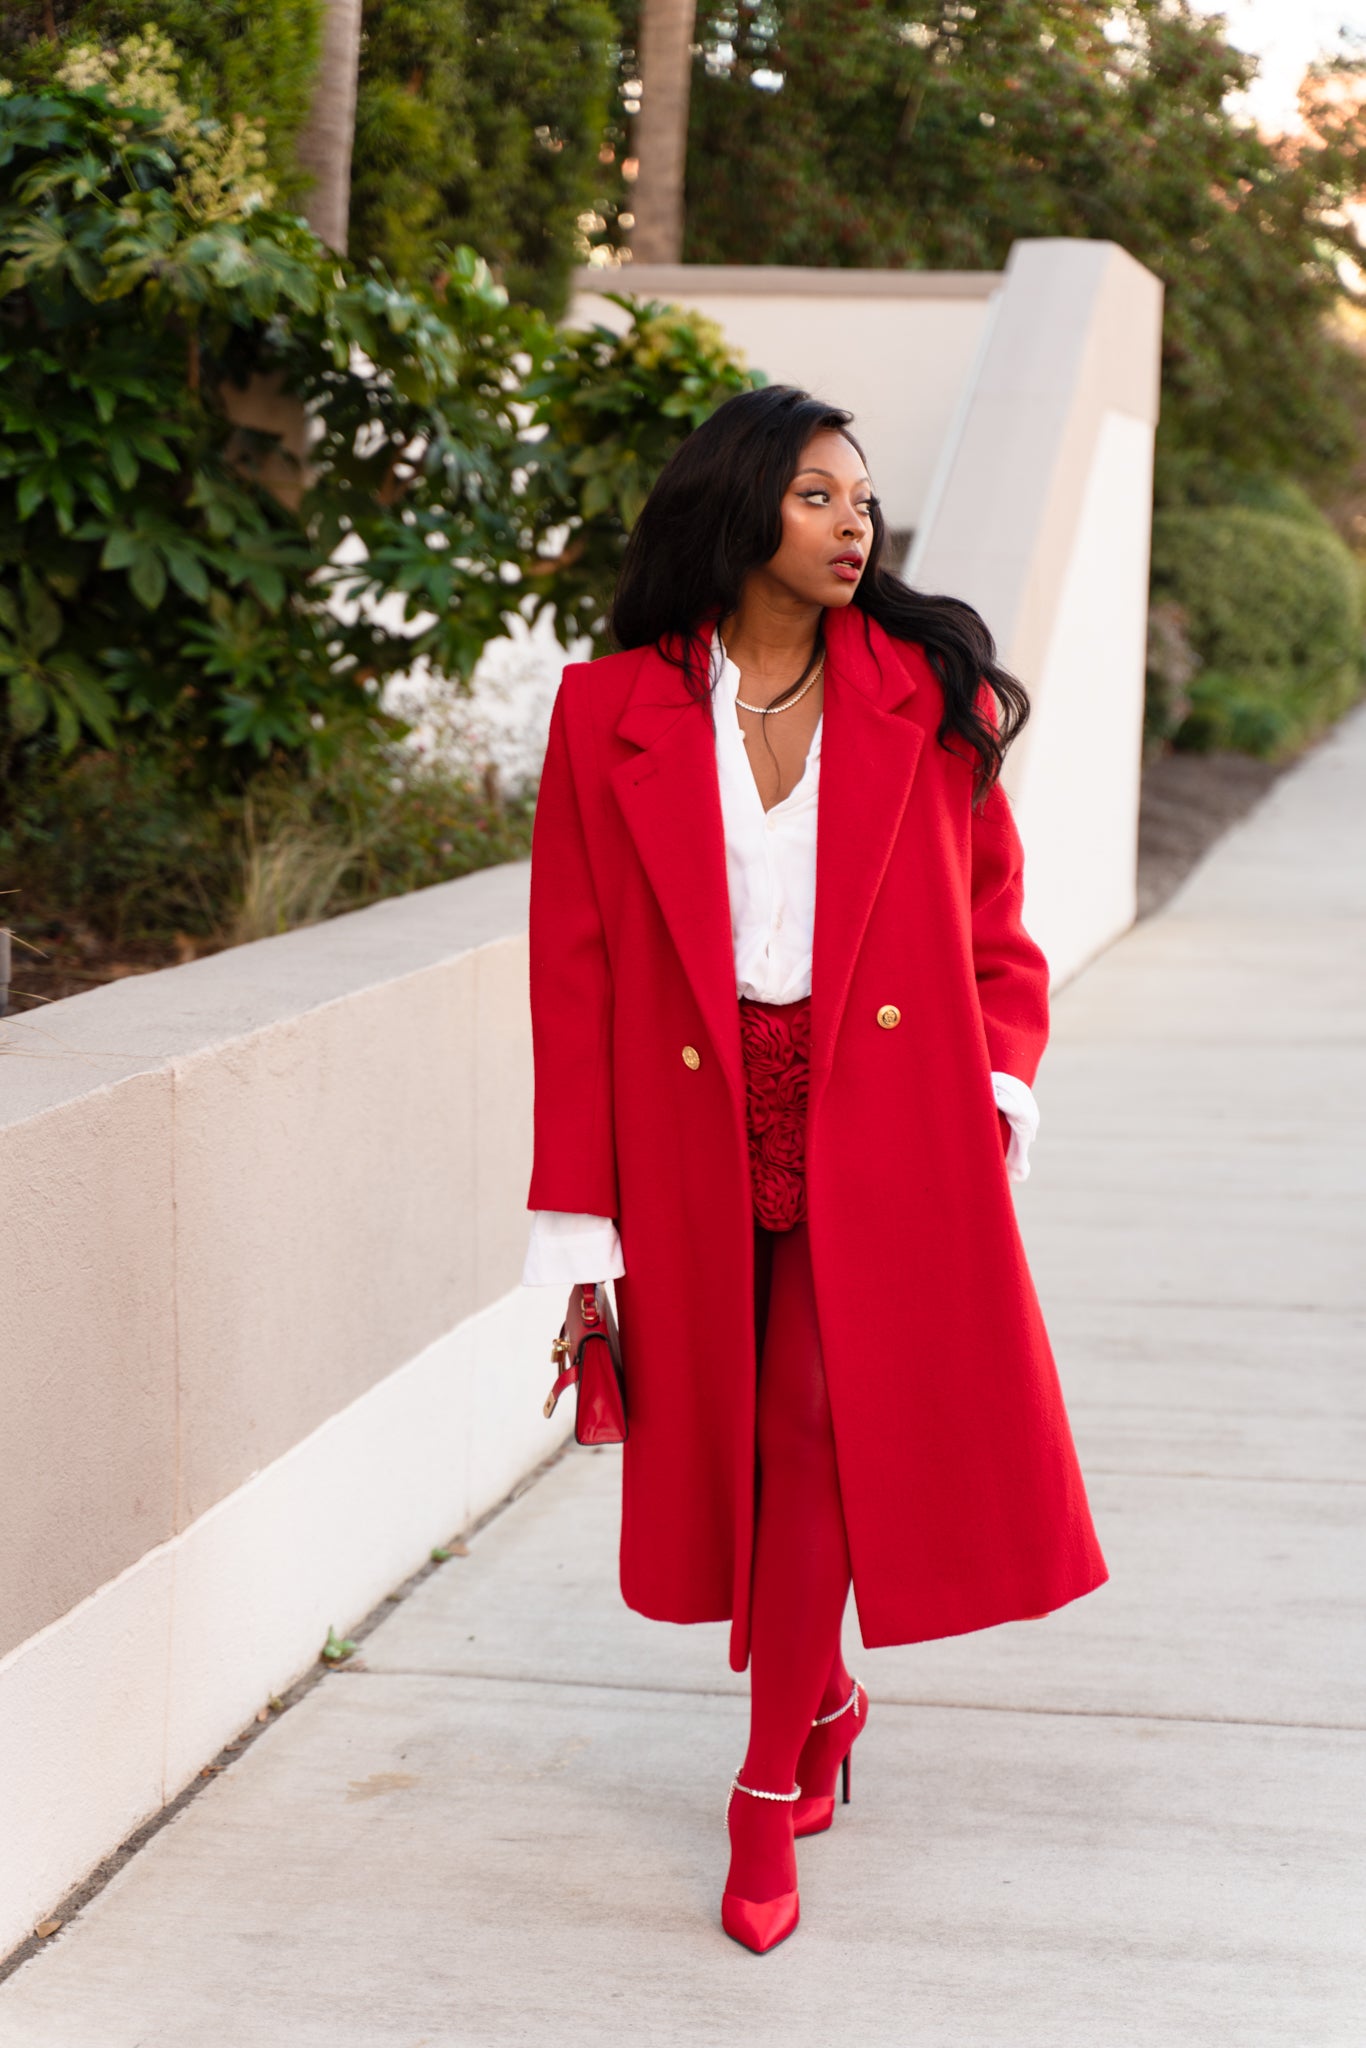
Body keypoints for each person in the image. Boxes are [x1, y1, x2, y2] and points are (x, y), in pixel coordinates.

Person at [521, 384, 1107, 1954]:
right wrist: (580, 1213)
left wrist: (994, 1092)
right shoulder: (606, 712)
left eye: (863, 500)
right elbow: (570, 973)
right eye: (814, 496)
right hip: (698, 1130)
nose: (854, 525)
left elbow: (994, 928)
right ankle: (826, 1694)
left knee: (821, 1425)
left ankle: (764, 1788)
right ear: (735, 512)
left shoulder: (926, 693)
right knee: (757, 1451)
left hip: (895, 1118)